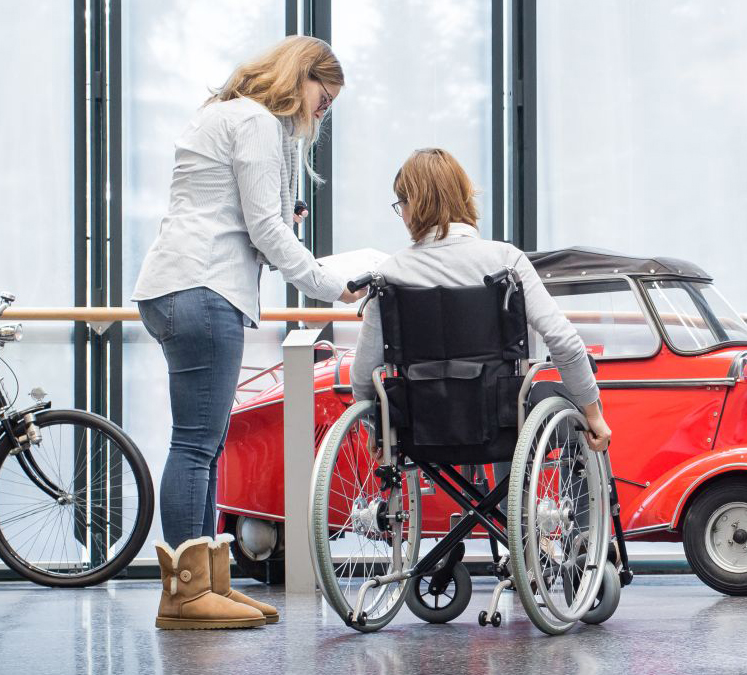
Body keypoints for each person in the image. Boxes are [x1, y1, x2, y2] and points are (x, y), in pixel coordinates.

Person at [133, 36, 365, 630]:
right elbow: (264, 228)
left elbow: (231, 210)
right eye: (324, 97)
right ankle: (186, 595)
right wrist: (333, 285)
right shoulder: (261, 124)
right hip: (205, 288)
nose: (323, 112)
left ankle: (210, 584)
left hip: (173, 285)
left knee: (203, 445)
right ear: (301, 77)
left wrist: (281, 217)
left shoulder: (221, 113)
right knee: (194, 445)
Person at [350, 148, 611, 453]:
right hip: (501, 425)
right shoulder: (505, 261)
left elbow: (363, 373)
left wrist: (377, 427)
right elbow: (564, 341)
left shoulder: (389, 274)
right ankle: (544, 499)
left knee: (513, 403)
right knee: (534, 402)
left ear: (415, 204)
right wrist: (593, 414)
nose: (402, 215)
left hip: (420, 428)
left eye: (401, 204)